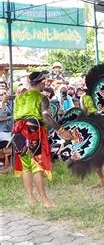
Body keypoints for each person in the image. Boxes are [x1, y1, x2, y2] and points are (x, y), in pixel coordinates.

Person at [12, 71, 74, 207]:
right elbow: (46, 117)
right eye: (44, 83)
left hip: (18, 132)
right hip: (33, 131)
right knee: (37, 165)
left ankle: (30, 198)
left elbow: (15, 117)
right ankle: (45, 200)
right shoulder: (42, 98)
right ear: (41, 83)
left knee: (26, 166)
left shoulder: (18, 98)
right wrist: (62, 131)